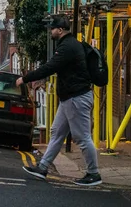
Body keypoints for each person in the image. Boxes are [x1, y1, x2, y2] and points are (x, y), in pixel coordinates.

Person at [18, 16, 101, 186]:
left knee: (82, 137)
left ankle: (93, 173)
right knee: (57, 132)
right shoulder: (70, 45)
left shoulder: (68, 47)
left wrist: (25, 78)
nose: (51, 31)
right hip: (69, 98)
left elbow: (50, 67)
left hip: (76, 97)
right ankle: (43, 167)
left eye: (52, 29)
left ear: (60, 30)